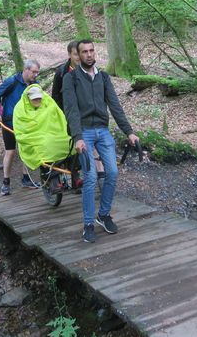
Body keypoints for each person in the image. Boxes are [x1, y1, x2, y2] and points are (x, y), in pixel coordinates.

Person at [62, 40, 139, 243]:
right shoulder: (71, 79)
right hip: (84, 132)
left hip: (103, 131)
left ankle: (103, 215)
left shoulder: (103, 77)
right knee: (91, 176)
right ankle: (88, 224)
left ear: (95, 52)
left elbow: (115, 106)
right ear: (77, 55)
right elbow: (71, 110)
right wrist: (77, 137)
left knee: (112, 172)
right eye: (84, 52)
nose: (88, 54)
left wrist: (129, 132)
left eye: (91, 50)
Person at [52, 40, 105, 186]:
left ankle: (97, 172)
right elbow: (55, 96)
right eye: (76, 54)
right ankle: (74, 175)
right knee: (73, 144)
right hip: (68, 115)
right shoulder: (61, 73)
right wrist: (62, 114)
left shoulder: (90, 70)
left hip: (88, 115)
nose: (79, 58)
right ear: (70, 55)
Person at [0, 59, 41, 195]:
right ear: (26, 69)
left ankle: (26, 179)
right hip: (9, 122)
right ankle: (6, 182)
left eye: (37, 72)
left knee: (26, 150)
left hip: (27, 123)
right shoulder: (12, 81)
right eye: (34, 72)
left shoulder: (35, 85)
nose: (36, 75)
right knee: (11, 151)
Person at [13, 85, 72, 173]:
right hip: (33, 138)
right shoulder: (20, 109)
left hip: (53, 135)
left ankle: (73, 173)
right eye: (34, 99)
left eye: (39, 98)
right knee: (45, 146)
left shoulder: (49, 104)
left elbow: (59, 120)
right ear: (28, 98)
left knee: (70, 143)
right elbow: (21, 129)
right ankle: (48, 175)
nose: (37, 100)